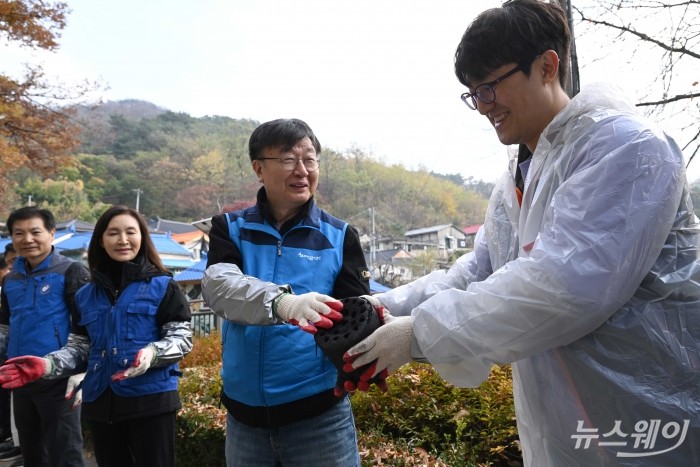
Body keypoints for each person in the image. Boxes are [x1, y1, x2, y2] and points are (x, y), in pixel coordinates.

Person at [342, 1, 700, 465]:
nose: (482, 107)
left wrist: (417, 335)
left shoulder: (626, 148)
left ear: (548, 66)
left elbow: (564, 286)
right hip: (565, 423)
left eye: (490, 87)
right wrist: (381, 309)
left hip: (647, 415)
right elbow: (479, 271)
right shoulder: (520, 172)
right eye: (473, 94)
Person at [201, 118, 371, 467]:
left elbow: (358, 317)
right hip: (244, 424)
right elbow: (219, 287)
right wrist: (285, 303)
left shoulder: (340, 236)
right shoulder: (229, 228)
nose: (302, 170)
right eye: (289, 160)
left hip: (319, 420)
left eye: (310, 159)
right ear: (259, 168)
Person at [0, 205, 193, 467]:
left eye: (130, 232)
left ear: (142, 237)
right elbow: (81, 347)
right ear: (101, 240)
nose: (122, 240)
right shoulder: (86, 294)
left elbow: (182, 338)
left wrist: (153, 353)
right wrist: (48, 364)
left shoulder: (163, 285)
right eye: (113, 233)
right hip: (101, 401)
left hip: (150, 401)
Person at [0, 207, 91, 467]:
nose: (27, 239)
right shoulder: (11, 279)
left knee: (66, 453)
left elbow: (87, 327)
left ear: (51, 233)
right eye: (19, 233)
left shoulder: (71, 271)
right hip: (20, 378)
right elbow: (5, 327)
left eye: (35, 231)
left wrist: (83, 371)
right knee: (32, 453)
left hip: (59, 380)